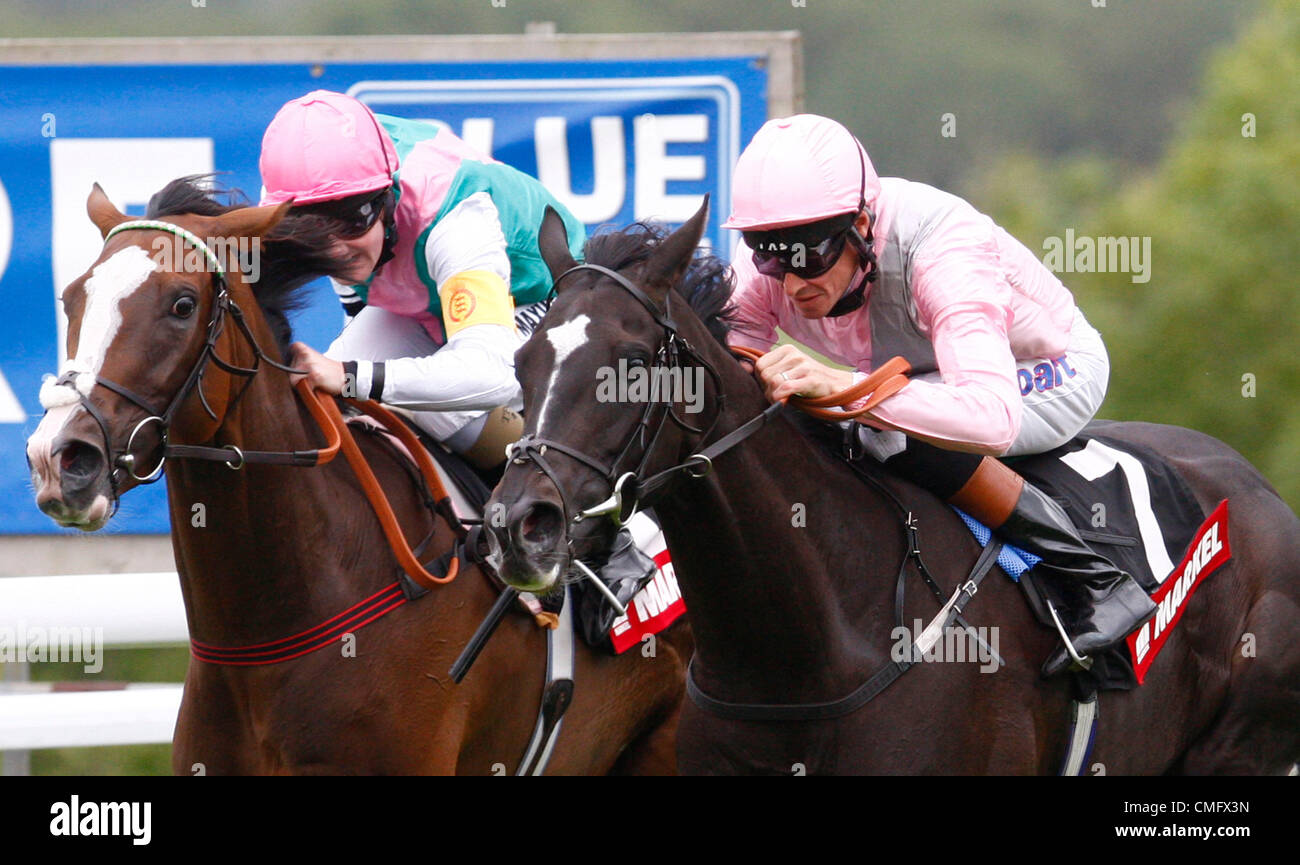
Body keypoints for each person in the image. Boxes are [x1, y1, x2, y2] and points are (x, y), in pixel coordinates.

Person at [723, 113, 1156, 677]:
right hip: (926, 374)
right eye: (768, 254)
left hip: (1040, 369)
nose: (791, 280)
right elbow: (730, 367)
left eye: (809, 255)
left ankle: (1094, 580)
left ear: (860, 225)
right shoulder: (777, 262)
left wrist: (849, 391)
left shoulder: (944, 252)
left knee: (881, 431)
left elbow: (991, 419)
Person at [258, 90, 585, 469]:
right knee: (328, 395)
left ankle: (578, 504)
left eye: (350, 220)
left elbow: (493, 375)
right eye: (308, 231)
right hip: (435, 301)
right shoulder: (326, 195)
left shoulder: (456, 221)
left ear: (387, 199)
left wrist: (351, 377)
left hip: (543, 292)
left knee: (426, 401)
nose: (332, 251)